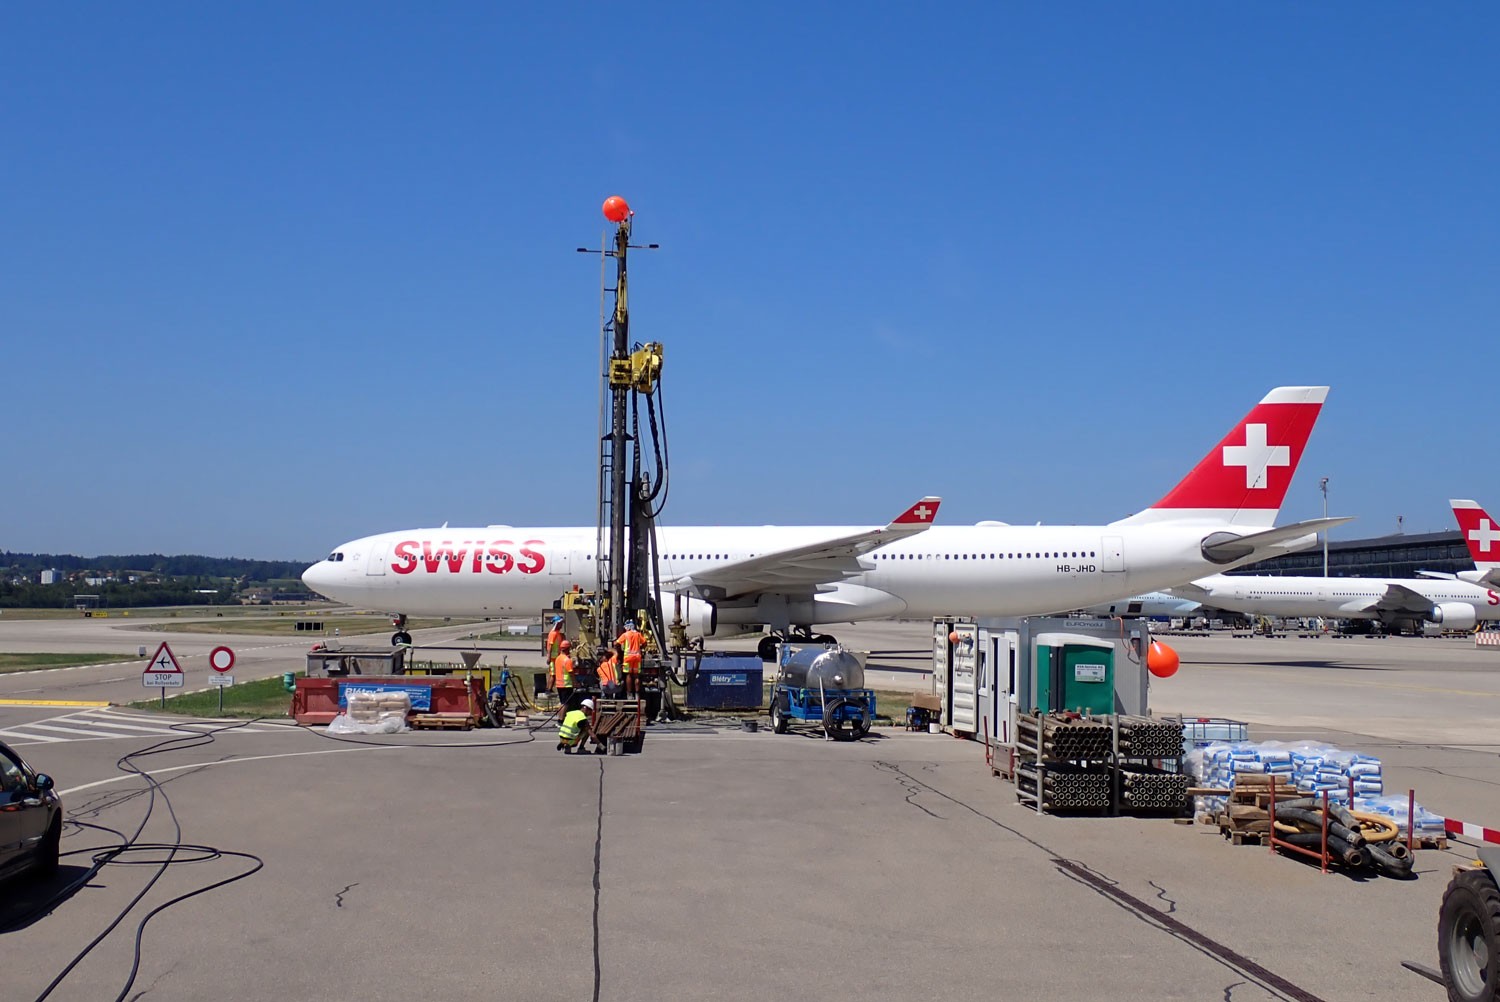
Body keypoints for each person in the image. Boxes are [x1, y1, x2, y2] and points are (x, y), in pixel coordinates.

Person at [616, 619, 645, 699]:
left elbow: (616, 643)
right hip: (637, 657)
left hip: (628, 657)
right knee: (636, 676)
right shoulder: (638, 634)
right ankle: (637, 695)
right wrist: (640, 648)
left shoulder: (625, 635)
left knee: (628, 675)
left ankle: (629, 694)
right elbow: (644, 642)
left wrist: (619, 652)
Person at [552, 639, 576, 709]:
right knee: (566, 704)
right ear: (567, 649)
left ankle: (561, 718)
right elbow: (571, 672)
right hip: (566, 685)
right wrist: (575, 683)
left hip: (559, 684)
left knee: (562, 703)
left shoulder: (558, 658)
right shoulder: (567, 660)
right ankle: (561, 719)